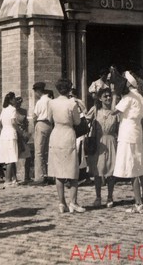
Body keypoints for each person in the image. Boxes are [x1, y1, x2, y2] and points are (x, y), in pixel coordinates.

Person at [47, 78, 85, 214]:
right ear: (69, 89)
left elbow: (49, 119)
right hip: (68, 134)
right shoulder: (72, 103)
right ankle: (73, 202)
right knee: (72, 171)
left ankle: (61, 203)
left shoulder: (51, 103)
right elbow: (77, 121)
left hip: (56, 134)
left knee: (59, 172)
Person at [113, 71, 143, 214]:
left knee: (132, 169)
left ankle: (138, 203)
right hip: (137, 131)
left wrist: (115, 95)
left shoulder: (128, 98)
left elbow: (113, 111)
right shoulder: (140, 97)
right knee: (139, 167)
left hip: (127, 133)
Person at [87, 87, 118, 207]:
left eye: (109, 96)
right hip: (98, 142)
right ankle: (98, 196)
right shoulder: (95, 111)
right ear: (100, 98)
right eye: (105, 96)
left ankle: (110, 196)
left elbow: (119, 127)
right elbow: (85, 121)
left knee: (111, 171)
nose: (108, 98)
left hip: (111, 142)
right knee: (98, 171)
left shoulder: (115, 112)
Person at [32, 81, 53, 184]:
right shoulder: (50, 100)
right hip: (50, 125)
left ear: (37, 91)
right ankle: (50, 174)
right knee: (49, 151)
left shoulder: (40, 102)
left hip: (41, 124)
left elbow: (35, 116)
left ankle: (40, 177)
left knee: (39, 152)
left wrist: (34, 125)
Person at [0, 92, 19, 187]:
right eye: (14, 98)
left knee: (9, 156)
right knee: (11, 158)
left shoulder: (4, 110)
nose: (15, 100)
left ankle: (14, 179)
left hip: (4, 134)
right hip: (10, 133)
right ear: (11, 100)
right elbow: (13, 122)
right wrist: (20, 131)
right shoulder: (13, 109)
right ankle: (7, 180)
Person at [15, 96, 31, 184]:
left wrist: (27, 134)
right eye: (17, 102)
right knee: (15, 156)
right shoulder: (11, 111)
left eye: (20, 102)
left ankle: (27, 176)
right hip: (15, 135)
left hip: (23, 135)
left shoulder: (24, 111)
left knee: (28, 155)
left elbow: (26, 123)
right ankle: (15, 177)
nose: (18, 104)